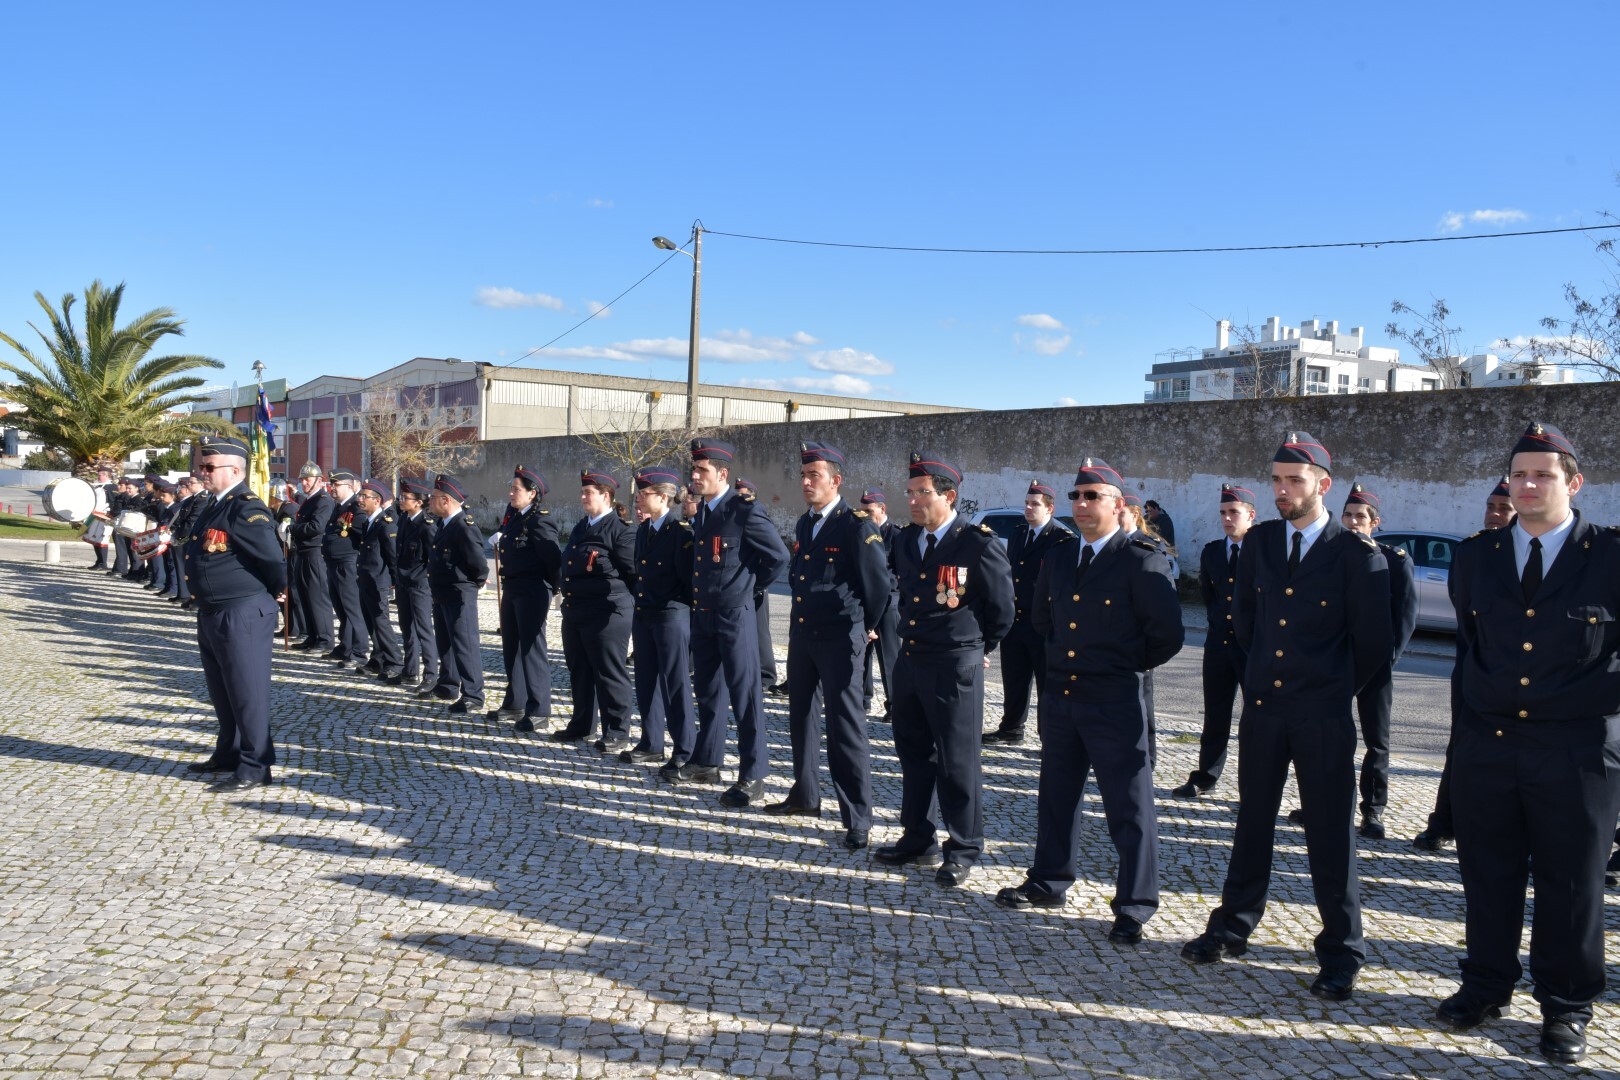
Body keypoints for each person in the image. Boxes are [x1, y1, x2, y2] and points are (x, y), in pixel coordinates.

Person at [1181, 431, 1391, 1003]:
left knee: (1330, 833)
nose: (1281, 490)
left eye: (1293, 481)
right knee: (1253, 820)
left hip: (1322, 714)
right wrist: (1260, 680)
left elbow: (1375, 644)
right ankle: (1234, 923)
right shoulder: (1262, 543)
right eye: (1275, 480)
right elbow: (1246, 621)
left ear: (1323, 485)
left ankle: (1342, 949)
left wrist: (1332, 690)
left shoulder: (1357, 555)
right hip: (1267, 708)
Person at [1436, 422, 1620, 1065]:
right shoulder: (1476, 557)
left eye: (1542, 473)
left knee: (1572, 885)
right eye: (1519, 474)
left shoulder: (1612, 555)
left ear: (1573, 482)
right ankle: (1486, 984)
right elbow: (1473, 652)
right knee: (1488, 871)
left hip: (1577, 749)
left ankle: (1566, 1006)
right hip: (1490, 742)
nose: (1528, 484)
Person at [996, 457, 1183, 944]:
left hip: (1114, 699)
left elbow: (1167, 636)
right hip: (1061, 696)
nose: (1081, 504)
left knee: (1129, 806)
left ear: (1118, 505)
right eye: (1076, 496)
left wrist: (1120, 663)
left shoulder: (1141, 557)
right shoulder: (1058, 557)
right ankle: (1049, 881)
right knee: (1056, 797)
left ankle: (1134, 905)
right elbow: (1042, 621)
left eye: (1092, 496)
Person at [874, 451, 1014, 886]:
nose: (914, 501)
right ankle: (918, 835)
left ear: (949, 496)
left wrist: (976, 646)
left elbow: (1002, 610)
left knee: (957, 761)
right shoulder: (905, 540)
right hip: (912, 660)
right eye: (910, 492)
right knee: (913, 754)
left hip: (955, 665)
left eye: (923, 493)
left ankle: (964, 846)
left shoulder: (977, 544)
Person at [771, 441, 891, 849]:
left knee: (846, 726)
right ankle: (805, 795)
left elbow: (879, 585)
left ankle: (857, 816)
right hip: (805, 635)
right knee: (801, 716)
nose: (805, 482)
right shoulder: (807, 523)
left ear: (836, 480)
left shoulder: (856, 525)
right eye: (803, 476)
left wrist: (865, 627)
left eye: (814, 475)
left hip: (841, 637)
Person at [677, 439, 791, 805]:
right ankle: (707, 761)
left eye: (702, 471)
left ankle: (752, 775)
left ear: (722, 474)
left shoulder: (743, 510)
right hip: (704, 614)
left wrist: (748, 588)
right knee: (709, 691)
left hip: (734, 615)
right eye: (693, 470)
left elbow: (776, 556)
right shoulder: (704, 512)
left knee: (746, 696)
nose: (695, 476)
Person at [1300, 483, 1417, 840]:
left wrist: (1386, 660)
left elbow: (1404, 616)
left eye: (1360, 517)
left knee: (1375, 741)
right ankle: (1321, 803)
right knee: (1324, 737)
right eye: (1348, 515)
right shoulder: (1325, 557)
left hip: (1375, 665)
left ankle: (1373, 811)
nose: (1352, 522)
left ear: (1375, 523)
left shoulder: (1393, 561)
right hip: (1331, 664)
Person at [1413, 476, 1517, 852]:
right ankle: (1444, 822)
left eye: (1502, 508)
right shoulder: (1472, 552)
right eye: (1490, 506)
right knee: (1461, 748)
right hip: (1473, 668)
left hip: (1520, 675)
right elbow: (1464, 611)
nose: (1493, 514)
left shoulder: (1532, 554)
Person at [180, 436, 287, 792]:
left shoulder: (246, 508)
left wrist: (273, 592)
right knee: (222, 690)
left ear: (236, 470)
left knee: (247, 691)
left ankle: (256, 766)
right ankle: (229, 752)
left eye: (209, 467)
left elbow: (273, 559)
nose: (203, 472)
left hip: (242, 611)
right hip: (213, 611)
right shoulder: (214, 505)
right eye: (202, 466)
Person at [1173, 484, 1257, 799]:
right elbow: (1211, 598)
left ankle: (1252, 783)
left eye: (1233, 512)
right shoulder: (1211, 552)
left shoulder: (1262, 553)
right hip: (1219, 644)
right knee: (1215, 714)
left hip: (1252, 648)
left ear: (1250, 514)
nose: (1226, 518)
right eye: (1222, 512)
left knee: (1256, 719)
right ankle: (1206, 775)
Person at [984, 480, 1075, 745]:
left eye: (1034, 504)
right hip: (1016, 618)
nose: (1028, 508)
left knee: (1048, 684)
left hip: (1043, 621)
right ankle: (1011, 729)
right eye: (1026, 503)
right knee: (1014, 678)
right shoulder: (1018, 531)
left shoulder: (1061, 539)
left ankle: (1051, 738)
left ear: (1049, 508)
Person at [553, 469, 637, 750]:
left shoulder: (620, 530)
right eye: (583, 491)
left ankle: (617, 730)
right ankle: (582, 724)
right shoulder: (582, 526)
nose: (582, 496)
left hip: (606, 613)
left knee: (608, 672)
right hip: (576, 610)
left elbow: (634, 574)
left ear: (606, 496)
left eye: (588, 492)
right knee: (579, 670)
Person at [627, 466, 696, 766]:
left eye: (644, 494)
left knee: (674, 684)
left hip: (670, 615)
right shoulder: (644, 530)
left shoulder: (680, 534)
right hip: (645, 614)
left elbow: (687, 581)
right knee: (645, 681)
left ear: (664, 497)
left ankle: (684, 749)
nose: (638, 499)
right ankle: (651, 741)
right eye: (639, 494)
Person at [489, 466, 562, 731]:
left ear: (532, 494)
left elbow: (553, 560)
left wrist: (553, 588)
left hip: (532, 590)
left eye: (516, 489)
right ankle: (515, 702)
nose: (511, 492)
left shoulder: (539, 520)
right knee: (512, 648)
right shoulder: (515, 516)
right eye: (511, 487)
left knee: (532, 650)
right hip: (513, 587)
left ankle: (539, 708)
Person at [426, 475, 488, 713]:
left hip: (459, 592)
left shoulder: (463, 525)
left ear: (446, 500)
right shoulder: (444, 523)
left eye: (433, 498)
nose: (429, 502)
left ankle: (473, 694)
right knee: (446, 642)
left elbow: (479, 565)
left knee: (465, 644)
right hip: (443, 592)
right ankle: (448, 684)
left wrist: (471, 585)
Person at [735, 477, 785, 697]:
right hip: (744, 583)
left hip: (755, 582)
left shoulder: (757, 515)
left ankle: (766, 674)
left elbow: (775, 555)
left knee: (760, 631)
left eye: (744, 494)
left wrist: (759, 583)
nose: (740, 499)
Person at [394, 480, 439, 691]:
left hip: (420, 584)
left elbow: (433, 558)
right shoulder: (404, 519)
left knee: (423, 630)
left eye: (406, 498)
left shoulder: (426, 526)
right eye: (401, 497)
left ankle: (430, 675)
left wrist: (424, 579)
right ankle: (410, 670)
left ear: (419, 503)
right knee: (407, 628)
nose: (401, 501)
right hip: (404, 582)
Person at [355, 479, 403, 679]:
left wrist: (395, 583)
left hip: (378, 582)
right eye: (361, 495)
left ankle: (394, 662)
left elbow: (392, 556)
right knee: (371, 623)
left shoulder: (385, 524)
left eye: (364, 496)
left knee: (381, 623)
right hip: (366, 579)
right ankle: (378, 658)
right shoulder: (369, 521)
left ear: (377, 500)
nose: (360, 499)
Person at [859, 489, 900, 721]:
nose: (865, 515)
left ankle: (894, 704)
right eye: (862, 510)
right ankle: (862, 700)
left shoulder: (895, 534)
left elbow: (898, 573)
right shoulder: (862, 531)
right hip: (865, 600)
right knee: (861, 654)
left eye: (869, 511)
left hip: (888, 602)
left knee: (889, 657)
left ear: (882, 509)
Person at [322, 470, 369, 668]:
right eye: (332, 484)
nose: (333, 488)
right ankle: (346, 645)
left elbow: (362, 534)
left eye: (337, 485)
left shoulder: (355, 508)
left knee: (352, 608)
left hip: (348, 562)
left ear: (349, 487)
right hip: (333, 562)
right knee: (340, 607)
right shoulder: (338, 507)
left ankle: (359, 651)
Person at [289, 463, 335, 653]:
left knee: (317, 597)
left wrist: (292, 528)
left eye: (307, 479)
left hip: (315, 553)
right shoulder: (309, 500)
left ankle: (324, 639)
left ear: (319, 481)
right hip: (303, 551)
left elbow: (316, 527)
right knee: (305, 595)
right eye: (302, 479)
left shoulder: (323, 500)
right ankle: (313, 635)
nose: (304, 483)